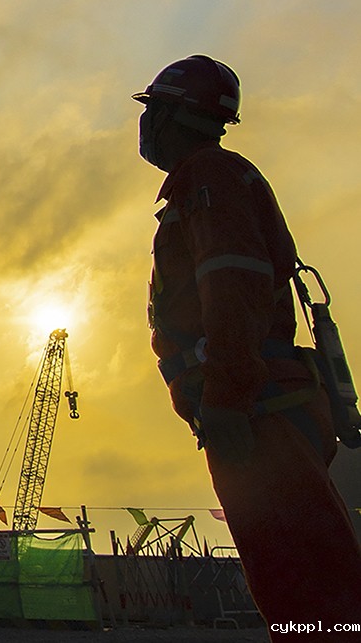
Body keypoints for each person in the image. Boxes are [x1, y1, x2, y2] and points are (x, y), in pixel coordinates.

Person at [134, 55, 361, 636]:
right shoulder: (211, 183)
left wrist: (228, 400)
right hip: (259, 408)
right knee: (297, 579)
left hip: (258, 413)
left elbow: (231, 290)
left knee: (308, 586)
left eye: (152, 110)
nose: (145, 125)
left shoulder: (208, 180)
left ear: (172, 116)